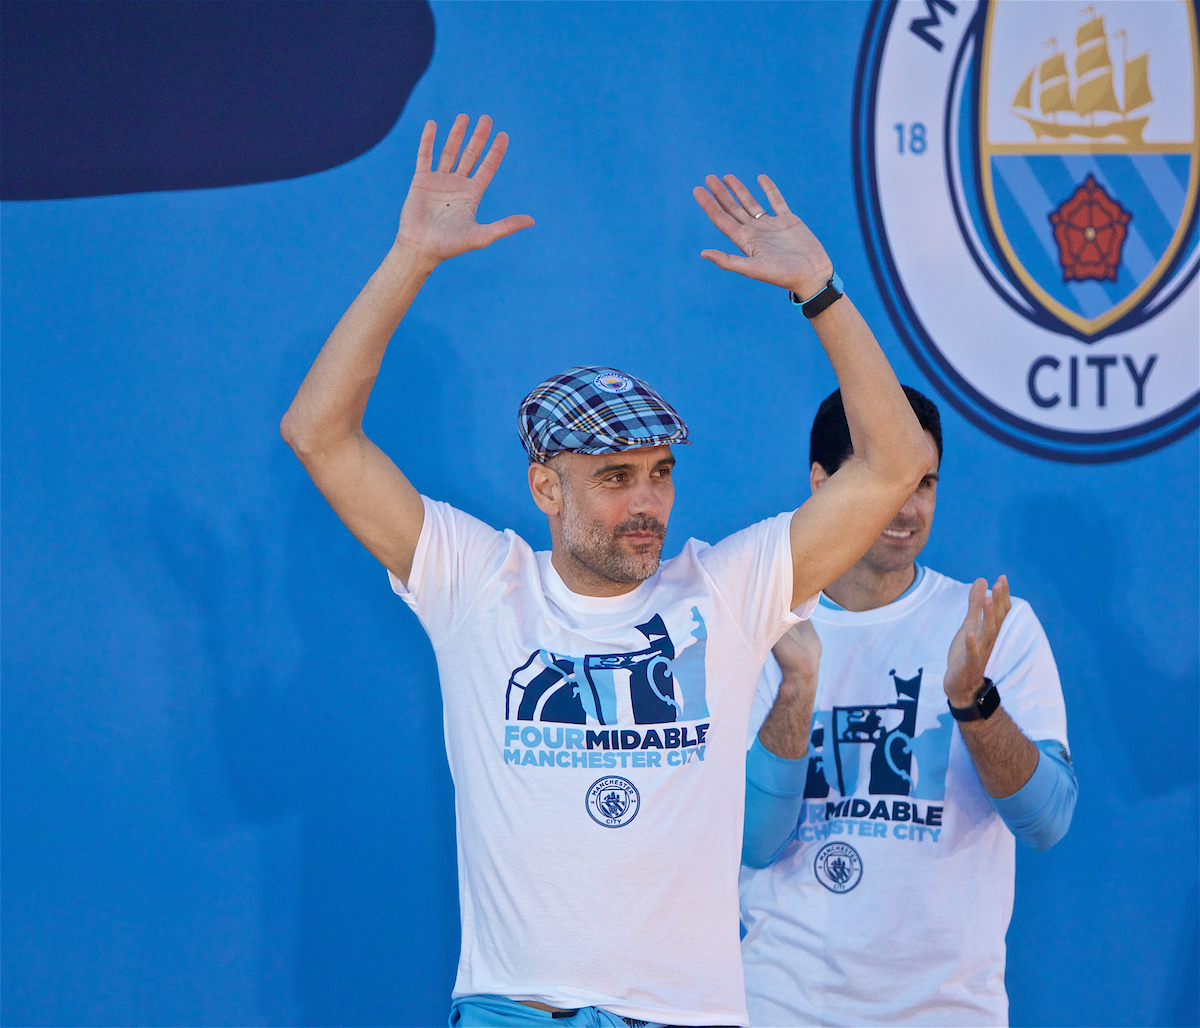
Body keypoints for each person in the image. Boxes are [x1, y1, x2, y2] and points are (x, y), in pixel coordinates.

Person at [280, 113, 934, 1028]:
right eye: (615, 478)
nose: (648, 504)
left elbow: (895, 462)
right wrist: (412, 259)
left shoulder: (729, 590)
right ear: (546, 485)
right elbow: (319, 433)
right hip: (516, 1012)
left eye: (662, 474)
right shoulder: (476, 580)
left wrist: (819, 291)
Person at [739, 388, 1078, 1027]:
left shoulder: (990, 626)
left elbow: (1046, 822)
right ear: (821, 484)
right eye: (885, 478)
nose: (907, 506)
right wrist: (797, 687)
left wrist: (972, 701)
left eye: (924, 482)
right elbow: (756, 843)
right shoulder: (761, 625)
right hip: (783, 1009)